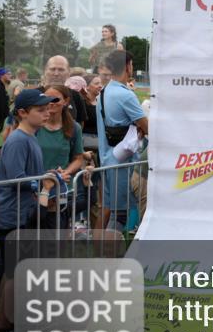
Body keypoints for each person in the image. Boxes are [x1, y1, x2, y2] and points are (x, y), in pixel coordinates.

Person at [0, 88, 58, 332]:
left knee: (12, 271)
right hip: (12, 215)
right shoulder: (19, 140)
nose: (47, 113)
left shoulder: (29, 137)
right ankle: (1, 328)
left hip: (20, 213)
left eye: (47, 109)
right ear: (23, 113)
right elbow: (16, 179)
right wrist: (43, 183)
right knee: (14, 273)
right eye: (40, 110)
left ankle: (3, 325)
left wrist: (48, 176)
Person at [96, 50, 148, 230]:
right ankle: (111, 248)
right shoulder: (125, 95)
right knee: (120, 216)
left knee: (110, 210)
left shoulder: (104, 91)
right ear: (128, 66)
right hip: (123, 163)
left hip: (107, 159)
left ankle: (98, 246)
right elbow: (147, 127)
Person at [37, 85, 85, 228]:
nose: (51, 103)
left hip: (62, 190)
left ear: (66, 101)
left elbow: (78, 158)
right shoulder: (35, 126)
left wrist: (65, 173)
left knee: (58, 229)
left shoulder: (74, 128)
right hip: (37, 188)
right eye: (47, 98)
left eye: (56, 99)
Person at [43, 56, 87, 127]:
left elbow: (80, 122)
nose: (56, 73)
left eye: (61, 70)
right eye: (52, 69)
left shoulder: (76, 95)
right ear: (45, 71)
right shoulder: (34, 94)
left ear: (69, 72)